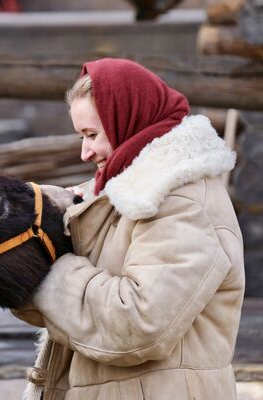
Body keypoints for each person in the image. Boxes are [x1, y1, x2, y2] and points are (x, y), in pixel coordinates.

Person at [15, 58, 245, 399]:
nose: (85, 152)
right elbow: (74, 316)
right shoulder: (119, 193)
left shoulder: (181, 201)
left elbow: (139, 322)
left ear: (128, 118)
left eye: (92, 135)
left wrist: (49, 271)